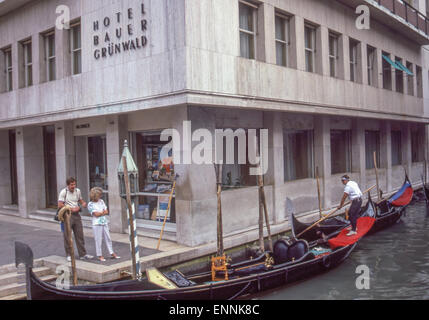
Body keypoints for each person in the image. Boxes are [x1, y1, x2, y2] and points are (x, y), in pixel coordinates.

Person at [58, 177, 93, 262]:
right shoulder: (64, 192)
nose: (73, 186)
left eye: (74, 184)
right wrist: (71, 208)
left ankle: (83, 254)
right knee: (68, 235)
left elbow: (80, 200)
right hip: (67, 214)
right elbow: (60, 204)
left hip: (77, 215)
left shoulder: (78, 191)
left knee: (80, 234)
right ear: (68, 185)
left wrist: (83, 203)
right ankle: (69, 254)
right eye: (71, 185)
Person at [88, 187, 120, 262]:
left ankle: (112, 252)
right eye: (99, 195)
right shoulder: (90, 204)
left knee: (108, 237)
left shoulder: (101, 201)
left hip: (104, 222)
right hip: (96, 223)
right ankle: (99, 255)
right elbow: (96, 214)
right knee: (98, 239)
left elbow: (106, 211)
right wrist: (102, 213)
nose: (100, 196)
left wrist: (100, 213)